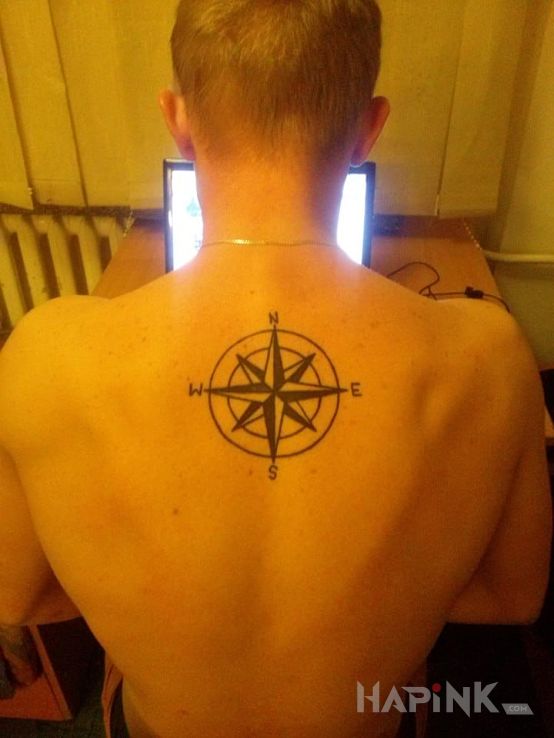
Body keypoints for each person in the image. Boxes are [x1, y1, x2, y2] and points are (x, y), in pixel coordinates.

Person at [0, 1, 551, 736]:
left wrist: (160, 624)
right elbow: (513, 598)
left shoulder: (43, 355)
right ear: (369, 128)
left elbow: (22, 597)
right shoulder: (490, 356)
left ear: (178, 120)